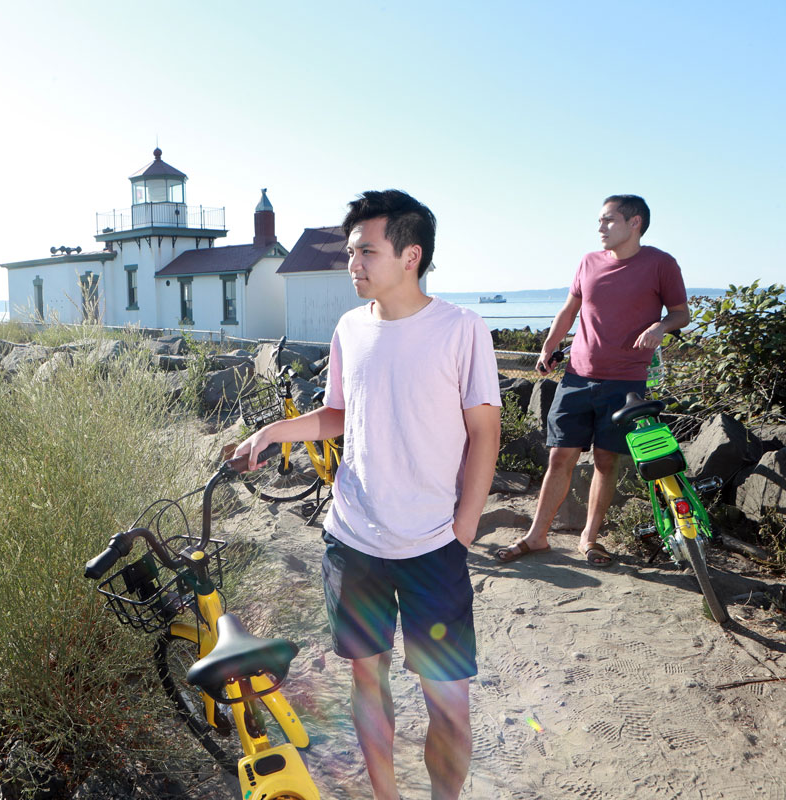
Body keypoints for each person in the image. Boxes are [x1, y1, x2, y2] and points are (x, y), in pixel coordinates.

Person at [233, 190, 500, 800]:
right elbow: (336, 416)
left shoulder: (461, 329)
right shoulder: (350, 328)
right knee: (368, 683)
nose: (352, 263)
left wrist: (465, 527)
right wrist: (275, 431)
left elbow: (486, 433)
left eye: (365, 252)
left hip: (434, 546)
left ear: (411, 255)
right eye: (350, 252)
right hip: (353, 542)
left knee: (450, 706)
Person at [494, 195, 688, 567]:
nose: (600, 228)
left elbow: (681, 313)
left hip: (626, 382)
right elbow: (570, 309)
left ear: (635, 223)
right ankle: (537, 537)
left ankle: (589, 538)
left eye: (608, 220)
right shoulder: (588, 262)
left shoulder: (661, 264)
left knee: (605, 460)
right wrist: (548, 347)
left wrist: (660, 326)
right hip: (577, 377)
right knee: (560, 456)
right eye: (599, 221)